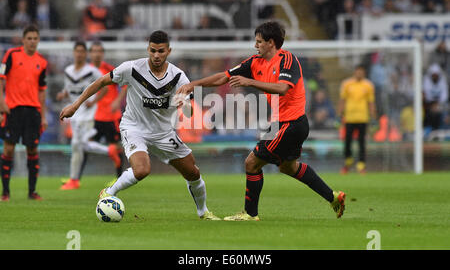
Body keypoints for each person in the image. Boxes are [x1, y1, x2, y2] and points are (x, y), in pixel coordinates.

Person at [177, 21, 346, 221]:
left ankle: (250, 214)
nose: (255, 45)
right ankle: (333, 197)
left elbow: (283, 88)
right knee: (288, 167)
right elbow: (224, 77)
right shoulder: (254, 62)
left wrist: (249, 82)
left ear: (271, 42)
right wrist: (193, 85)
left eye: (259, 42)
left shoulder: (287, 59)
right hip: (281, 125)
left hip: (290, 124)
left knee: (252, 163)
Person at [59, 31, 220, 221]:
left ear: (168, 51)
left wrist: (184, 104)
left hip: (163, 133)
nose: (156, 55)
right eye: (153, 51)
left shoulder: (179, 77)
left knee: (193, 172)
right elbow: (102, 81)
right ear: (148, 49)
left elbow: (189, 113)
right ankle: (109, 192)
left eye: (161, 51)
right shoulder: (132, 68)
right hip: (133, 128)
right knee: (142, 169)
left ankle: (203, 212)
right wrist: (75, 105)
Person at [0, 25, 48, 201]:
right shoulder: (11, 55)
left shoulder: (42, 62)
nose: (32, 41)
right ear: (23, 40)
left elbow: (42, 90)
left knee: (33, 149)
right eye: (29, 38)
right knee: (8, 149)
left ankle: (32, 192)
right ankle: (5, 193)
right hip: (12, 110)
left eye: (35, 38)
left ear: (38, 40)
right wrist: (1, 102)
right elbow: (1, 78)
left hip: (33, 111)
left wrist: (43, 115)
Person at [57, 41, 105, 190]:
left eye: (82, 51)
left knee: (77, 144)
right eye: (77, 51)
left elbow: (105, 88)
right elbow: (68, 90)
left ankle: (74, 180)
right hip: (74, 114)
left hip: (88, 114)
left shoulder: (92, 71)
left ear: (85, 54)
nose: (79, 54)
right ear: (74, 53)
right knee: (79, 145)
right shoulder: (68, 71)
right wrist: (62, 94)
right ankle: (109, 151)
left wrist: (94, 101)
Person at [89, 41, 126, 178]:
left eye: (99, 51)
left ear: (102, 54)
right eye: (94, 51)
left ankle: (119, 178)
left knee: (117, 147)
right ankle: (75, 178)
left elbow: (126, 85)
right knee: (84, 146)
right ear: (90, 54)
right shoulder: (87, 71)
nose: (97, 54)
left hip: (111, 116)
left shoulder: (110, 70)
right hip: (94, 116)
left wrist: (117, 101)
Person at [338, 65, 376, 175]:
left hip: (362, 118)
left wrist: (373, 117)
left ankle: (361, 165)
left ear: (363, 73)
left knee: (361, 142)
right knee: (347, 141)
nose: (359, 73)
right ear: (355, 72)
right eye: (357, 71)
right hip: (349, 118)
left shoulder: (368, 85)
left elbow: (371, 102)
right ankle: (347, 162)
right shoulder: (347, 84)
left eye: (361, 72)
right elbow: (342, 100)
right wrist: (339, 115)